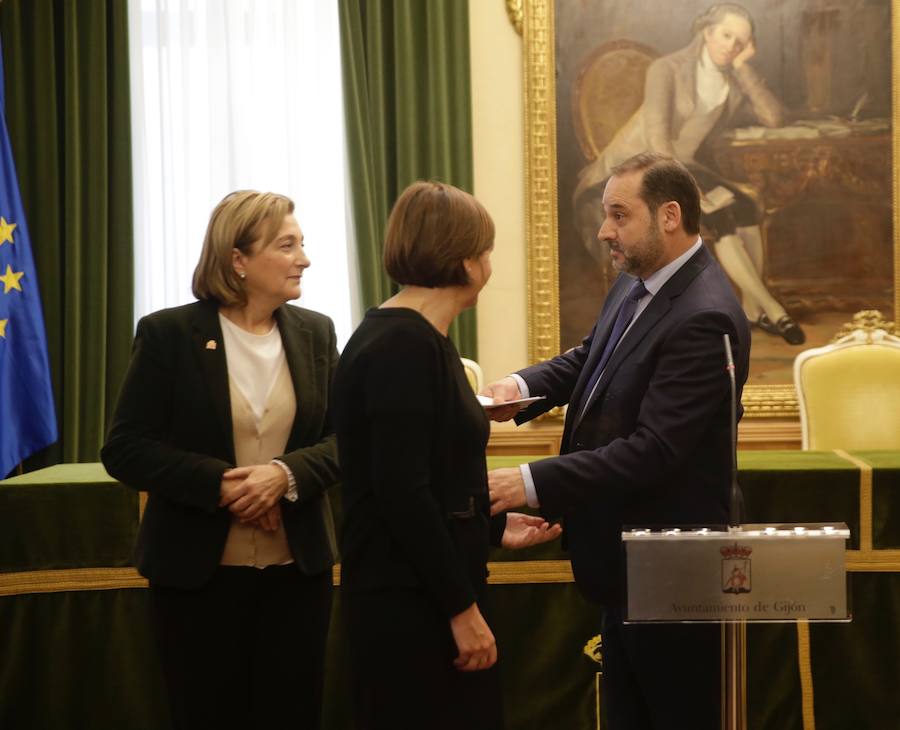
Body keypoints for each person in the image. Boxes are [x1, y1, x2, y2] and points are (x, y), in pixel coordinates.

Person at [485, 153, 750, 729]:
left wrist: (529, 482)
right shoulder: (639, 282)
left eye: (619, 215)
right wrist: (521, 387)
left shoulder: (704, 315)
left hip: (671, 572)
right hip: (627, 563)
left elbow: (655, 450)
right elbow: (593, 356)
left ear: (669, 216)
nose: (605, 230)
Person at [101, 191, 340, 730]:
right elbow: (125, 447)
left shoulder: (316, 332)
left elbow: (346, 439)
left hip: (297, 576)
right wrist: (222, 485)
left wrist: (284, 476)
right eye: (287, 245)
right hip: (196, 578)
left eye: (302, 244)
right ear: (238, 259)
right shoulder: (168, 335)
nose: (304, 259)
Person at [332, 181, 562, 730]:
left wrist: (490, 525)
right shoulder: (402, 345)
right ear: (464, 261)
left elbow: (431, 477)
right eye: (486, 252)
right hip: (411, 603)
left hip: (422, 589)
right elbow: (401, 494)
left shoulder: (417, 337)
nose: (489, 266)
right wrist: (460, 609)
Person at [574, 2, 804, 345]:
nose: (731, 46)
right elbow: (657, 138)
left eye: (740, 42)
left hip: (682, 165)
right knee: (720, 215)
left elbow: (774, 117)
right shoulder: (666, 69)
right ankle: (774, 309)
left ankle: (753, 311)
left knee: (745, 207)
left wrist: (743, 68)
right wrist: (692, 191)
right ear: (708, 32)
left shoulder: (731, 81)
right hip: (636, 168)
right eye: (726, 35)